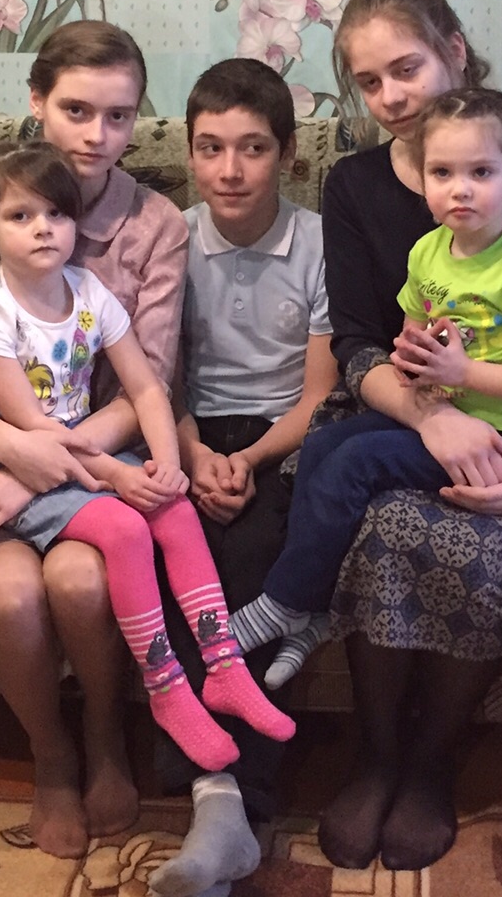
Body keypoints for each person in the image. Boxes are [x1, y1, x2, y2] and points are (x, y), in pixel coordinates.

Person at [312, 0, 502, 872]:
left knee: (478, 542)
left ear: (455, 53)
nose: (391, 97)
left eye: (407, 68)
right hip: (404, 414)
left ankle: (432, 761)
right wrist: (432, 418)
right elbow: (358, 343)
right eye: (369, 82)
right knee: (387, 530)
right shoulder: (354, 186)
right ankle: (377, 756)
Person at [0, 20, 188, 859]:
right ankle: (51, 758)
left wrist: (41, 467)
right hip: (4, 448)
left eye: (119, 115)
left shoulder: (157, 225)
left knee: (78, 581)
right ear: (37, 102)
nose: (96, 134)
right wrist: (12, 454)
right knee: (9, 596)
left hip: (95, 460)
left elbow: (147, 385)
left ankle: (106, 737)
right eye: (76, 109)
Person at [0, 140, 293, 775]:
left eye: (56, 214)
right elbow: (36, 436)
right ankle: (167, 688)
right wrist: (118, 474)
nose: (42, 229)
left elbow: (145, 387)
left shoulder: (86, 289)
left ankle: (224, 666)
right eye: (20, 216)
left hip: (80, 453)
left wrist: (166, 465)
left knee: (174, 508)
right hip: (16, 466)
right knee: (124, 526)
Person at [229, 87, 502, 685]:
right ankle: (314, 606)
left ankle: (286, 601)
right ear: (422, 177)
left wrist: (464, 373)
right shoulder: (428, 251)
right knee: (322, 443)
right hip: (442, 410)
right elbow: (413, 333)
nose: (460, 189)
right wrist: (413, 358)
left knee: (356, 463)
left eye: (481, 172)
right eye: (442, 173)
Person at [147, 56, 339, 897]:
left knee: (255, 557)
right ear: (190, 152)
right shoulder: (170, 238)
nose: (230, 169)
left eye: (253, 148)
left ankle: (238, 800)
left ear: (288, 154)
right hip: (185, 429)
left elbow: (321, 390)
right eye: (211, 148)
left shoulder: (320, 242)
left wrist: (251, 461)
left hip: (281, 435)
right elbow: (156, 376)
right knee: (168, 547)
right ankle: (214, 796)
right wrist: (193, 455)